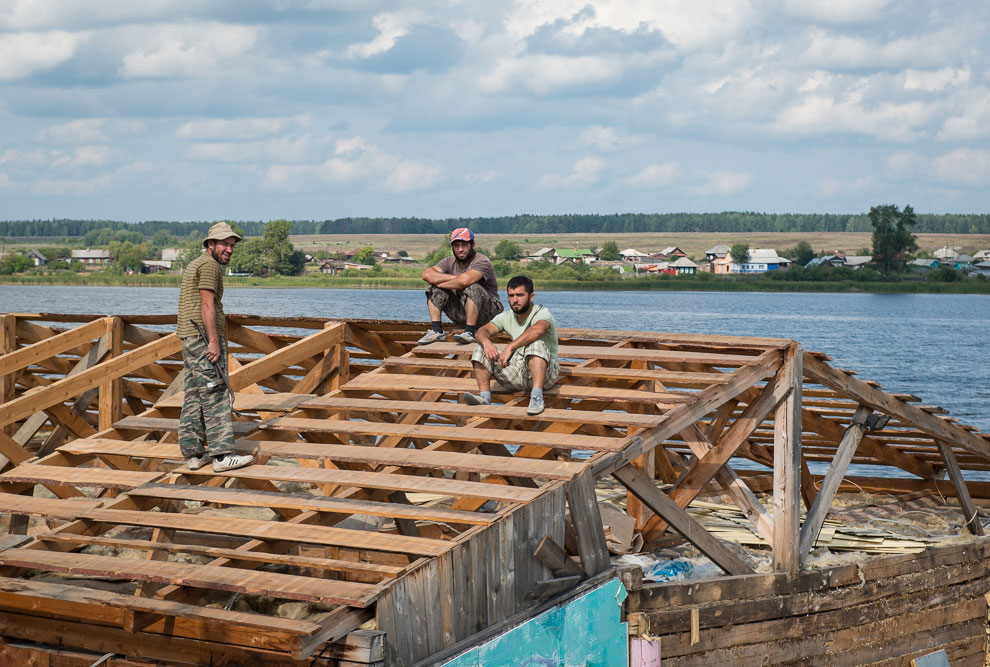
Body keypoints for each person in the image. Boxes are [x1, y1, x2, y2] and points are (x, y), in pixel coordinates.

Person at [176, 222, 254, 473]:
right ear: (210, 244)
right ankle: (221, 456)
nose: (229, 249)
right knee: (215, 390)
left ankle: (195, 455)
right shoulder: (209, 266)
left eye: (232, 245)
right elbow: (206, 305)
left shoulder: (196, 264)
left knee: (195, 394)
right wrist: (213, 340)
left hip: (189, 337)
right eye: (224, 244)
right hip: (202, 338)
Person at [463, 275, 559, 416]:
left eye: (520, 295)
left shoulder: (542, 313)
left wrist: (510, 347)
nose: (515, 300)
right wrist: (487, 343)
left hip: (546, 375)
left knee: (535, 344)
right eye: (511, 296)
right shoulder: (506, 316)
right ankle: (484, 397)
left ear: (531, 296)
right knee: (480, 347)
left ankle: (537, 397)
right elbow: (482, 331)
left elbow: (538, 330)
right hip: (518, 372)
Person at [418, 227, 503, 345]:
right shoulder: (449, 261)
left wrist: (445, 280)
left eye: (464, 245)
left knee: (472, 287)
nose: (460, 249)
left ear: (473, 245)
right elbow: (427, 275)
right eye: (456, 246)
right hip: (461, 312)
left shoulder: (482, 261)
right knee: (433, 287)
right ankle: (436, 330)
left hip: (487, 314)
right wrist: (454, 279)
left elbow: (465, 281)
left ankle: (469, 331)